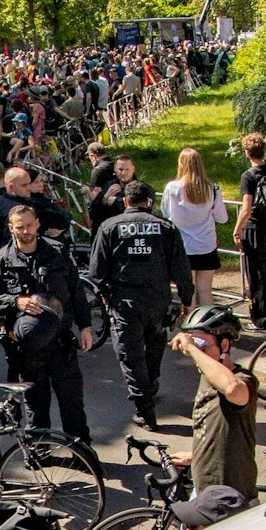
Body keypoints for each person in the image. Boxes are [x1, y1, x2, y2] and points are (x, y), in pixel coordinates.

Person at [0, 204, 93, 445]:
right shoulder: (1, 260)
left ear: (37, 224)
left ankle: (82, 452)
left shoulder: (57, 253)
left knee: (71, 400)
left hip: (61, 342)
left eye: (29, 225)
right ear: (11, 228)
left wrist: (85, 327)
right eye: (20, 227)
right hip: (26, 349)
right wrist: (16, 301)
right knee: (36, 403)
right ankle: (39, 452)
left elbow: (76, 292)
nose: (25, 231)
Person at [91, 180, 192, 433]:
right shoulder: (166, 228)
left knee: (130, 354)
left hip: (125, 303)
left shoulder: (109, 227)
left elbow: (96, 272)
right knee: (154, 345)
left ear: (125, 202)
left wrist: (105, 297)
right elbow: (181, 269)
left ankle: (145, 409)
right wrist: (186, 299)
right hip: (158, 301)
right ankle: (150, 386)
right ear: (149, 202)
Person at [165, 305, 258, 503]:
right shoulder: (208, 376)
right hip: (204, 486)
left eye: (202, 346)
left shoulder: (243, 380)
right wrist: (196, 456)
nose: (197, 354)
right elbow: (217, 432)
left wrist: (191, 347)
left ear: (224, 345)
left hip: (228, 494)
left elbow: (233, 390)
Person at [161, 147, 228, 306]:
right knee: (205, 289)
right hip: (206, 244)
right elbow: (222, 218)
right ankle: (206, 322)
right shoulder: (212, 188)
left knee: (187, 289)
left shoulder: (172, 188)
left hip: (183, 246)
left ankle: (189, 323)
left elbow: (165, 214)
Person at [233, 133, 266, 330]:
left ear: (247, 152)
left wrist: (237, 230)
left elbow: (246, 209)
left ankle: (260, 317)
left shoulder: (248, 177)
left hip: (253, 228)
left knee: (255, 273)